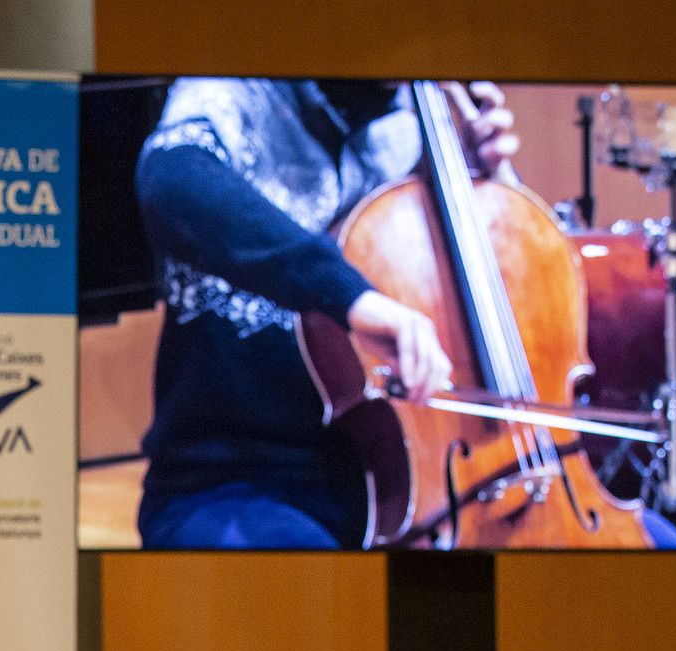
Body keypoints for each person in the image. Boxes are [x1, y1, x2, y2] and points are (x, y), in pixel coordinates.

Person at [132, 78, 518, 548]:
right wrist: (352, 298)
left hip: (409, 485)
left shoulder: (411, 128)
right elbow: (172, 180)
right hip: (239, 484)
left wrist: (480, 184)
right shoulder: (231, 92)